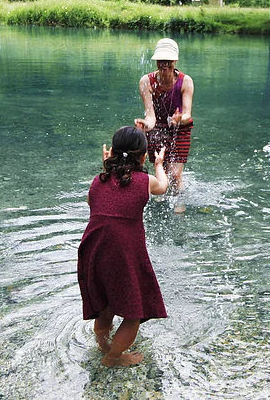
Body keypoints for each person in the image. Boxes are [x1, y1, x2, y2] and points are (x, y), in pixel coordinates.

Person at [77, 126, 169, 366]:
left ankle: (105, 346)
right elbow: (163, 187)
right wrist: (159, 164)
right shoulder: (144, 181)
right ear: (143, 156)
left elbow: (95, 203)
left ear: (112, 152)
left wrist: (106, 168)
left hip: (92, 250)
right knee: (133, 314)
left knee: (104, 308)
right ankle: (113, 357)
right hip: (123, 252)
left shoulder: (97, 181)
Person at [134, 38, 194, 212]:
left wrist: (179, 119)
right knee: (161, 167)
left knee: (175, 174)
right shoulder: (146, 81)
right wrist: (146, 124)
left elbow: (188, 113)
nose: (164, 64)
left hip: (180, 128)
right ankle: (162, 196)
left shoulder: (186, 82)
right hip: (157, 129)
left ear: (175, 61)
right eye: (161, 60)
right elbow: (151, 115)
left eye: (168, 60)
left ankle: (178, 200)